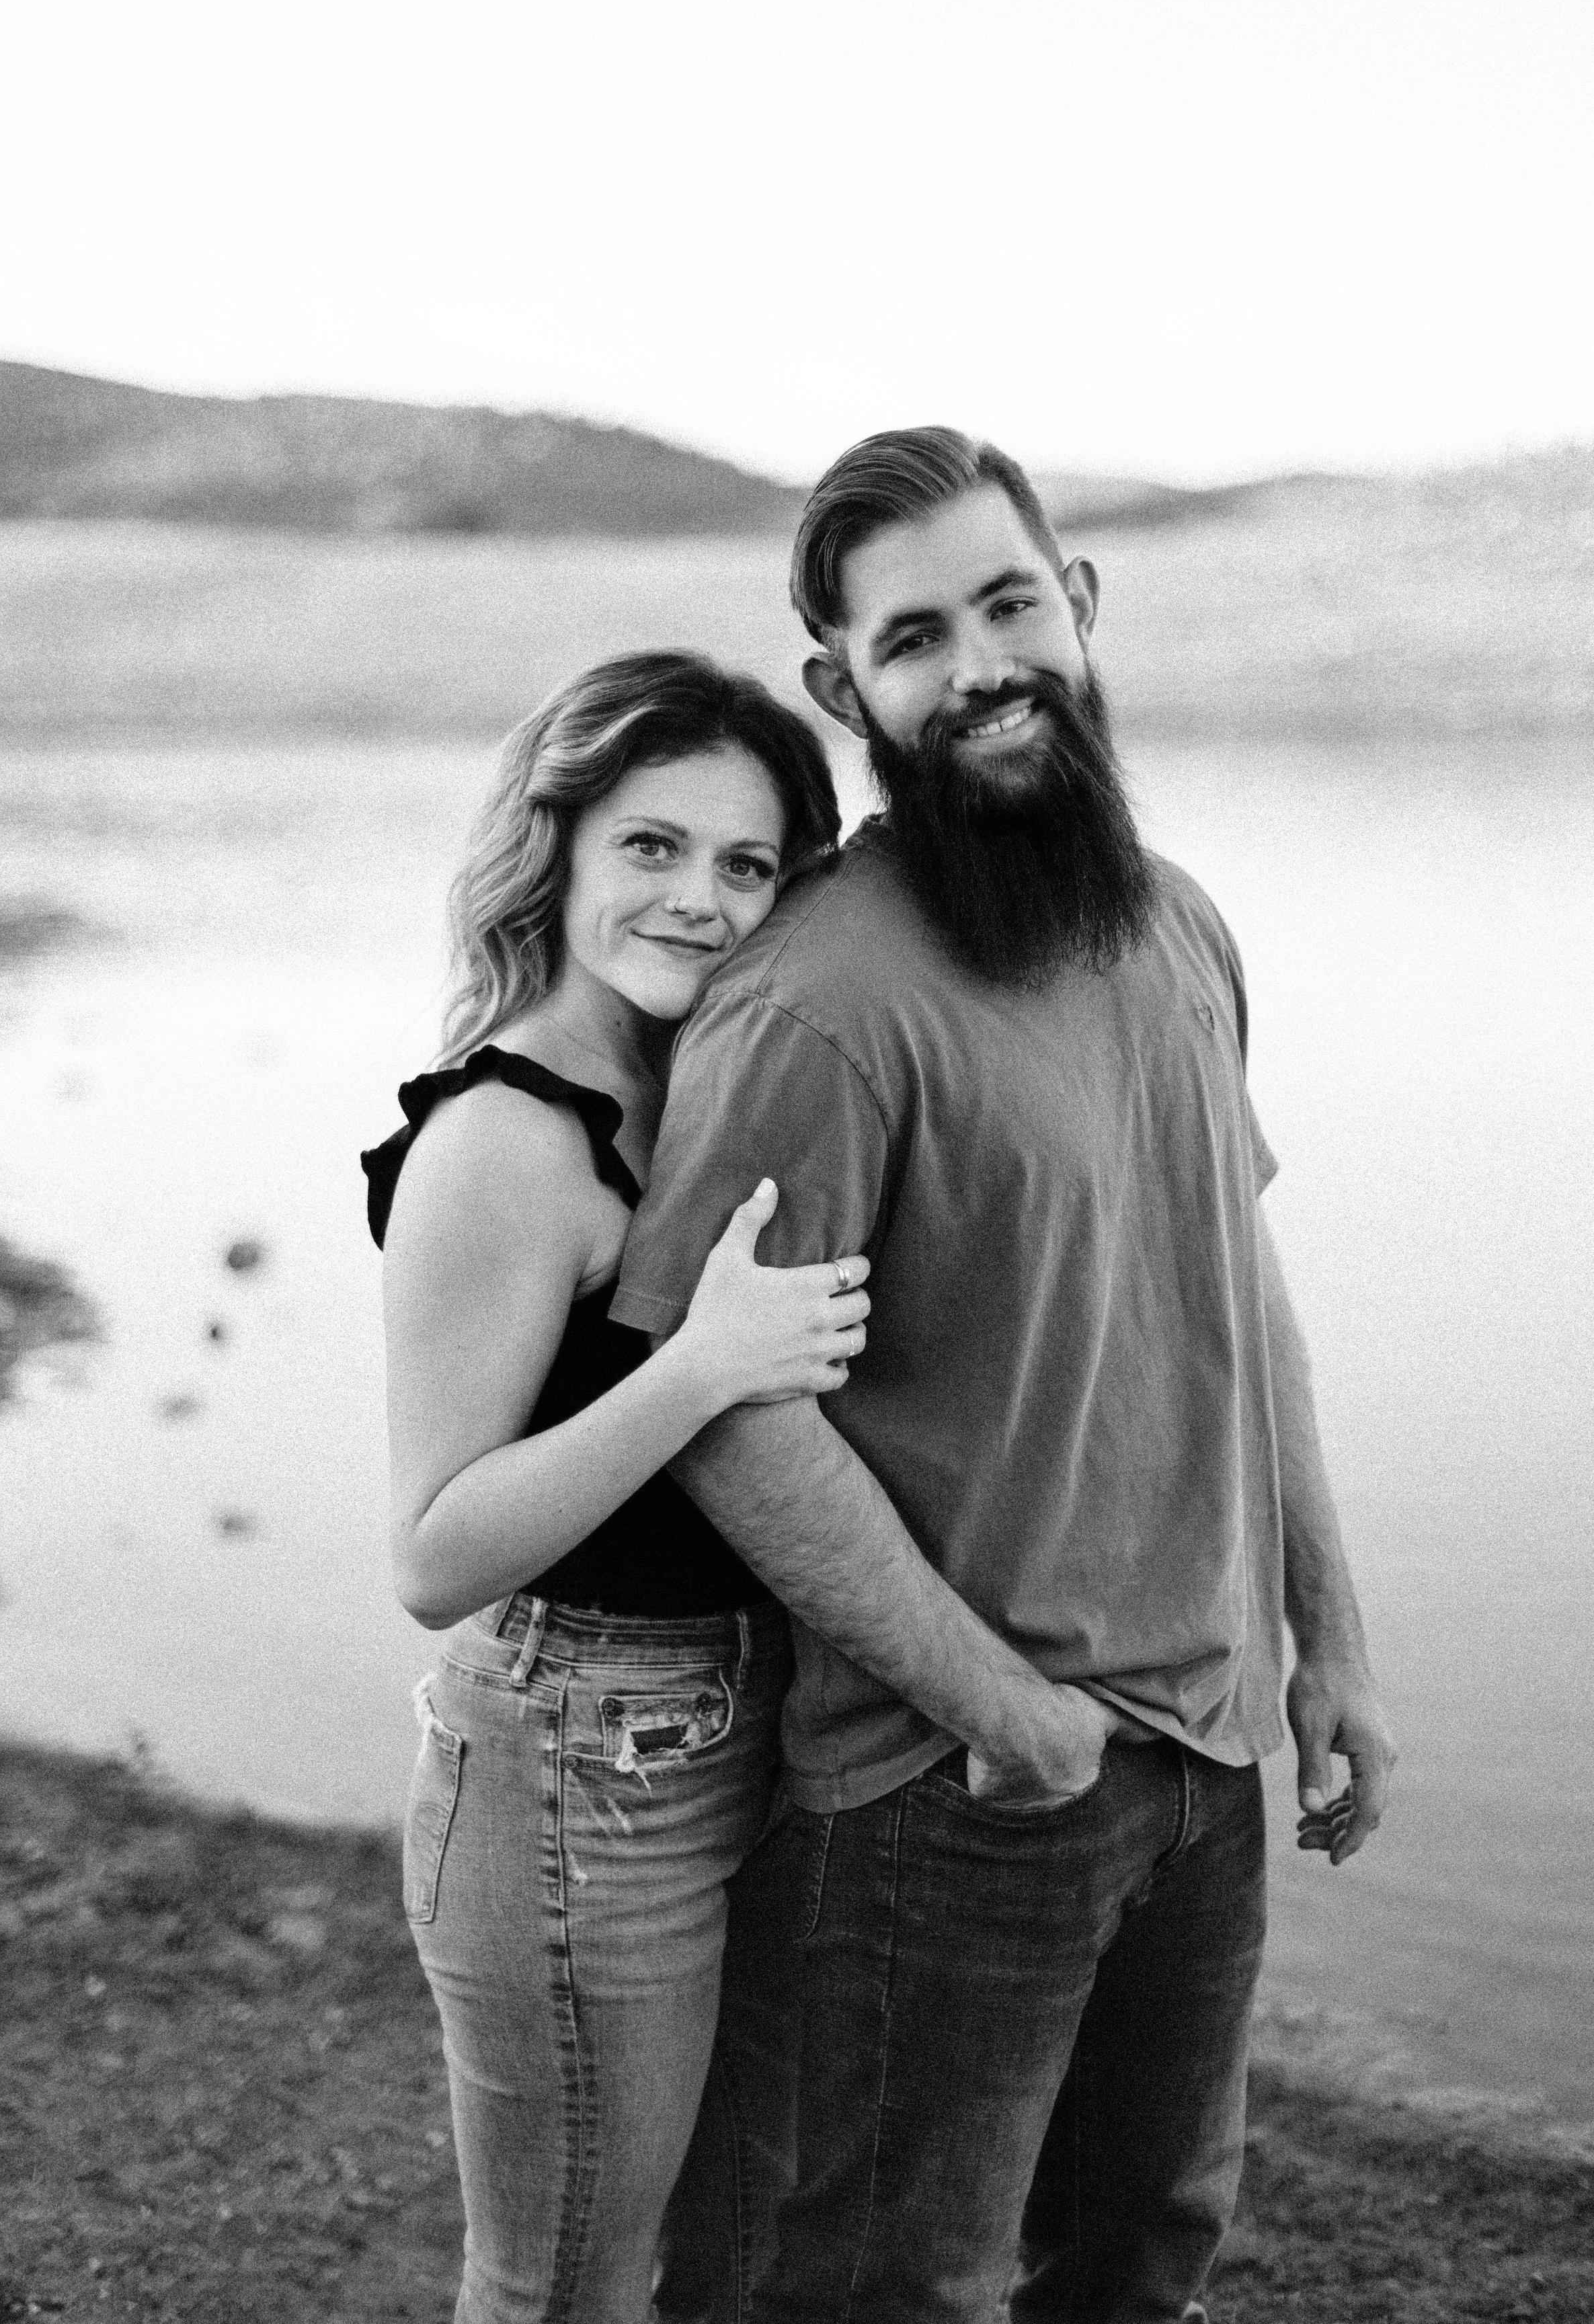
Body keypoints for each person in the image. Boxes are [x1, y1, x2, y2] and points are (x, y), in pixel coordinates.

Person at [609, 430, 1398, 2323]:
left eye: (1007, 603)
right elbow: (728, 1406)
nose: (978, 667)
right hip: (950, 1792)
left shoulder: (1176, 925)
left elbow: (1234, 1284)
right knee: (903, 2289)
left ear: (1080, 605)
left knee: (1144, 2247)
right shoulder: (815, 1002)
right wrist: (1008, 1713)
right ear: (842, 692)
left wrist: (1327, 1634)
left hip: (1204, 1750)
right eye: (913, 639)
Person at [360, 650, 875, 2324]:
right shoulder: (508, 1137)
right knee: (563, 2286)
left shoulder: (694, 1085)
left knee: (725, 2260)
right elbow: (436, 1553)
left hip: (750, 1728)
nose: (698, 900)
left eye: (746, 864)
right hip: (576, 1766)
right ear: (558, 848)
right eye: (651, 846)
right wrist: (699, 1367)